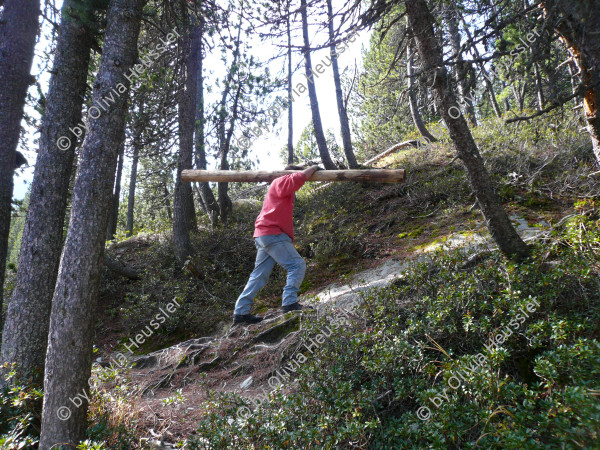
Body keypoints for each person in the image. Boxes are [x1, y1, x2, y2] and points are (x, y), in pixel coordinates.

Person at [233, 164, 319, 324]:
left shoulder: (282, 189)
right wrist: (313, 167)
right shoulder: (280, 181)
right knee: (297, 265)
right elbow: (299, 177)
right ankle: (289, 303)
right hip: (272, 234)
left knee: (258, 276)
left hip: (265, 234)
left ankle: (240, 313)